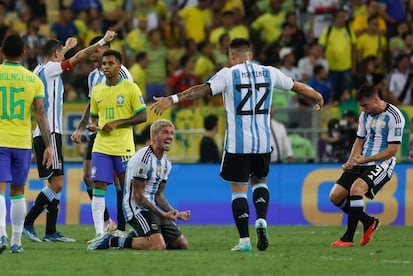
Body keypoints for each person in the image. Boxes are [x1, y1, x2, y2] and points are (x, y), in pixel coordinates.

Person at [151, 38, 324, 252]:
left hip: (237, 144)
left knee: (239, 190)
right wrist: (316, 95)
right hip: (263, 142)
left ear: (232, 56)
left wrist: (172, 99)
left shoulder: (227, 74)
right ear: (250, 54)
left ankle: (244, 240)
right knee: (260, 182)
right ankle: (261, 220)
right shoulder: (270, 72)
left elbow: (202, 90)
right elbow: (295, 86)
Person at [22, 30, 117, 243]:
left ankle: (50, 231)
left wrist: (65, 46)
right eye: (61, 54)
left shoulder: (40, 68)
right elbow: (77, 59)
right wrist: (102, 41)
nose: (64, 58)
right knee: (57, 184)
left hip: (45, 132)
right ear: (56, 55)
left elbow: (58, 56)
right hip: (49, 132)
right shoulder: (51, 69)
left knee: (55, 182)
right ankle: (28, 222)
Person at [87, 119, 190, 251]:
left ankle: (138, 236)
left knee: (181, 245)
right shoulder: (143, 159)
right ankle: (113, 240)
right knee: (158, 246)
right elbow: (138, 196)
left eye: (171, 133)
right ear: (154, 136)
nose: (170, 136)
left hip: (152, 208)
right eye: (165, 133)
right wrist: (162, 214)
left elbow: (159, 195)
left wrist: (173, 212)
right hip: (136, 209)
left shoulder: (166, 162)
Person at [71, 35, 135, 237]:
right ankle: (107, 222)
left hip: (118, 135)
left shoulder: (123, 75)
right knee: (88, 176)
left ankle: (123, 227)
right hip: (98, 133)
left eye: (96, 51)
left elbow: (128, 103)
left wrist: (116, 123)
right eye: (90, 52)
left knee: (120, 182)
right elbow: (92, 104)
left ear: (107, 49)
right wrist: (81, 127)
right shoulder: (92, 77)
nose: (92, 56)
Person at [329, 84, 405, 247]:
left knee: (356, 189)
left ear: (375, 100)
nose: (363, 110)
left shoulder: (395, 117)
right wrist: (351, 161)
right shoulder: (364, 116)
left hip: (382, 163)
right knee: (335, 197)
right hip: (362, 161)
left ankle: (348, 238)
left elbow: (392, 150)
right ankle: (368, 221)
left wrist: (365, 159)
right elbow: (359, 140)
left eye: (365, 105)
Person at [86, 49, 147, 244]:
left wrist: (117, 123)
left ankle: (133, 228)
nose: (106, 67)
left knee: (129, 189)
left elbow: (142, 116)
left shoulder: (130, 88)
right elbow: (94, 115)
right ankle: (99, 234)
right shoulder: (97, 90)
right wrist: (92, 124)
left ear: (119, 66)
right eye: (104, 64)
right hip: (101, 146)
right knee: (98, 186)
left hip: (124, 147)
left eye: (110, 63)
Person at [0, 34, 53, 254]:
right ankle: (16, 242)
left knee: (0, 191)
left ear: (2, 51)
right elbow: (40, 114)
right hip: (22, 143)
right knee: (18, 192)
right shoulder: (34, 80)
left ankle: (1, 233)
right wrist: (49, 145)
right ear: (23, 53)